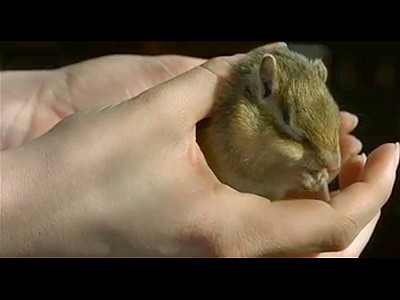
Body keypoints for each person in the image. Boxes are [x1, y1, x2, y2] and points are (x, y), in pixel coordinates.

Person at [1, 42, 398, 257]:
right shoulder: (239, 117)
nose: (332, 162)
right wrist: (27, 208)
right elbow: (243, 161)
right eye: (297, 134)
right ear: (264, 86)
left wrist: (43, 100)